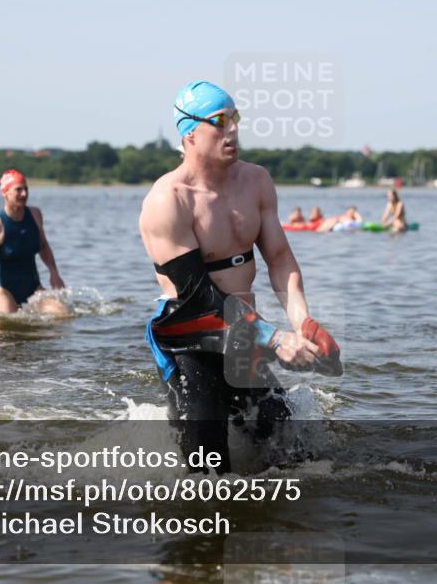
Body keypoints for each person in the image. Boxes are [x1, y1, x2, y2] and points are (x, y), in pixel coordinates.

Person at [139, 81, 342, 474]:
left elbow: (280, 259)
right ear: (189, 133)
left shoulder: (256, 181)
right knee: (209, 478)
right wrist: (275, 339)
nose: (232, 129)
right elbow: (199, 299)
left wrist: (303, 322)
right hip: (190, 345)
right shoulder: (168, 200)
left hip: (242, 341)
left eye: (235, 118)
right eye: (219, 121)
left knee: (301, 458)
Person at [0, 170, 69, 315]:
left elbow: (44, 246)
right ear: (5, 192)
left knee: (63, 314)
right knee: (8, 322)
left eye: (26, 189)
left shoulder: (35, 214)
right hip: (3, 291)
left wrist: (54, 273)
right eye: (18, 189)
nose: (24, 194)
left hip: (33, 289)